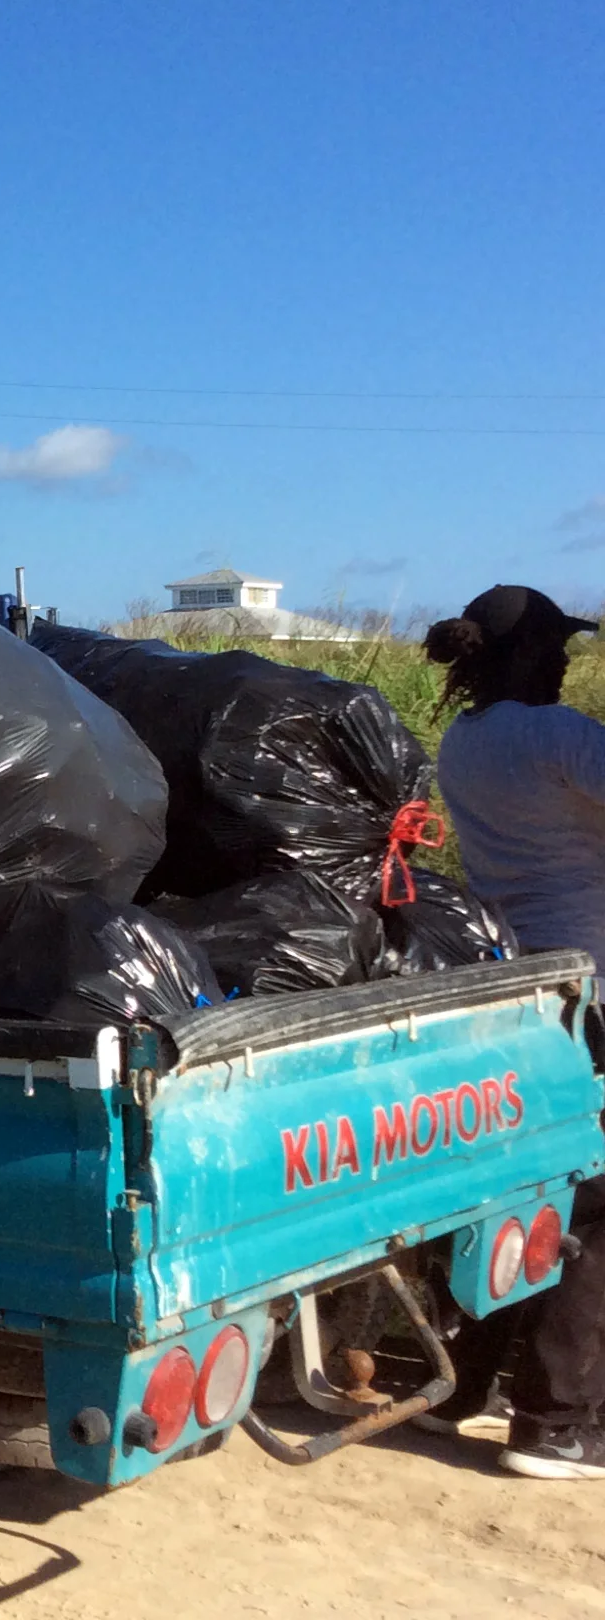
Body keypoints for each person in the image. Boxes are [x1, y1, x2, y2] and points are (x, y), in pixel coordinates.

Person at [423, 583, 605, 1481]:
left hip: (511, 988)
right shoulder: (561, 737)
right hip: (591, 989)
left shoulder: (464, 742)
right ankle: (556, 1422)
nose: (567, 660)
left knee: (512, 1188)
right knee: (596, 1209)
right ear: (522, 653)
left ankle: (458, 1386)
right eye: (556, 646)